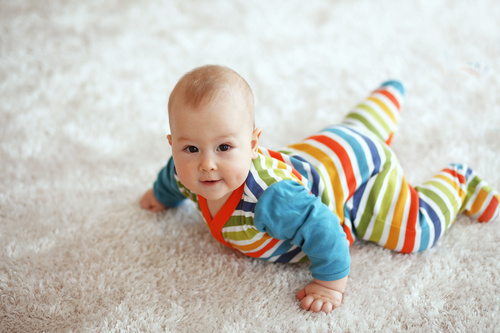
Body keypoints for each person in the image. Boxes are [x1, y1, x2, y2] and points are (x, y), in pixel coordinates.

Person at [140, 65, 500, 314]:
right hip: (326, 151)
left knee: (414, 233)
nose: (206, 164)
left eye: (224, 148)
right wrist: (160, 196)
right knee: (356, 130)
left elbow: (326, 230)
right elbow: (171, 179)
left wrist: (330, 284)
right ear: (173, 145)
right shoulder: (184, 172)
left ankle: (459, 182)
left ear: (252, 143)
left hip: (359, 182)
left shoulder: (271, 200)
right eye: (191, 149)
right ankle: (387, 96)